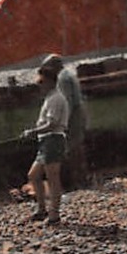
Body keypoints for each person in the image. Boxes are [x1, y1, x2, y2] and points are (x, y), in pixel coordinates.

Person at [21, 57, 70, 224]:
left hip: (53, 140)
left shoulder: (56, 98)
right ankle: (41, 210)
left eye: (41, 81)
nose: (38, 84)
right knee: (33, 175)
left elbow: (53, 124)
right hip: (46, 142)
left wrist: (33, 132)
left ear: (49, 81)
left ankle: (54, 215)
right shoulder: (50, 97)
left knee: (52, 178)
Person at [38, 54, 89, 187]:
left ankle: (79, 180)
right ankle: (81, 178)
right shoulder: (68, 74)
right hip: (78, 111)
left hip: (74, 115)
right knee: (76, 145)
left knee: (73, 147)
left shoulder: (62, 79)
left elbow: (68, 102)